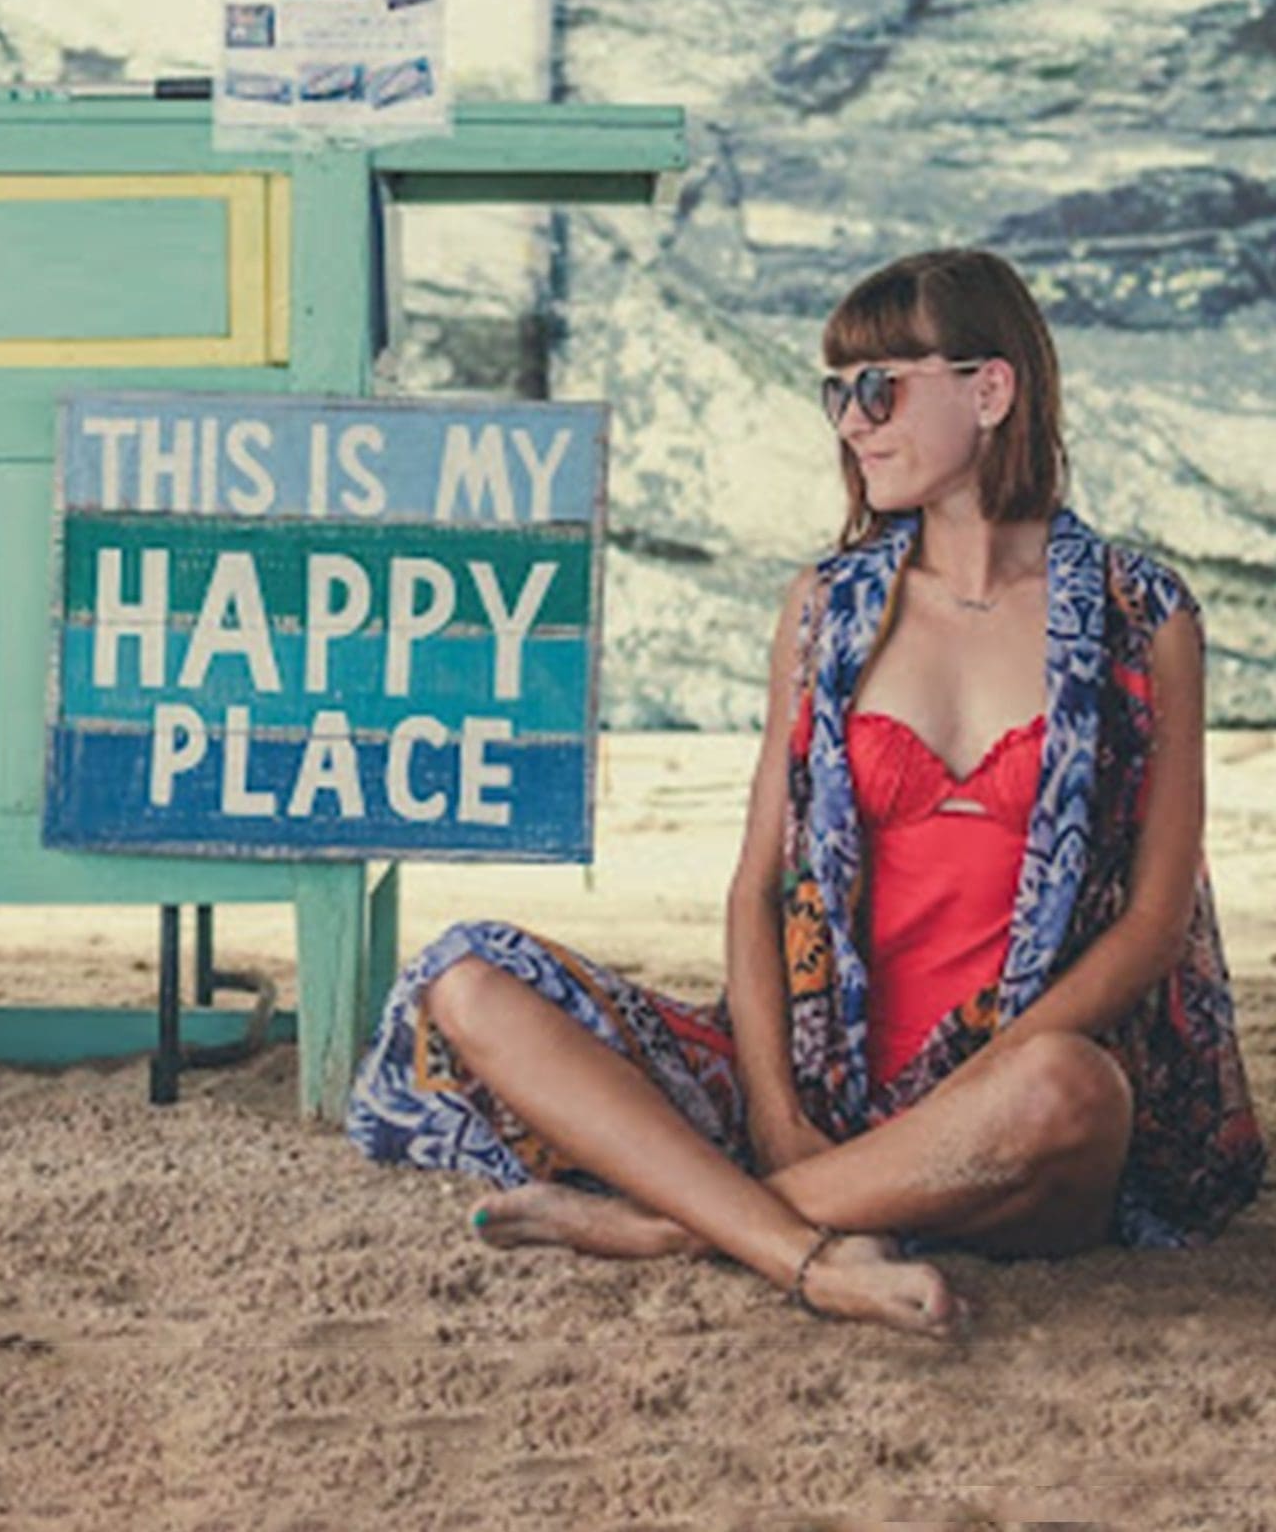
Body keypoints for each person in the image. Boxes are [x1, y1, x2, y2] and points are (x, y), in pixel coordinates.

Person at [346, 248, 1266, 1337]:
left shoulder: (1139, 611)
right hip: (826, 1077)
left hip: (1011, 1105)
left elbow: (1153, 923)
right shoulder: (825, 606)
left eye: (877, 388)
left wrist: (974, 1093)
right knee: (464, 978)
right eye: (834, 391)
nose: (850, 421)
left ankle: (670, 1222)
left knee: (1076, 1088)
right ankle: (811, 1245)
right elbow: (755, 888)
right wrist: (778, 1117)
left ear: (989, 387)